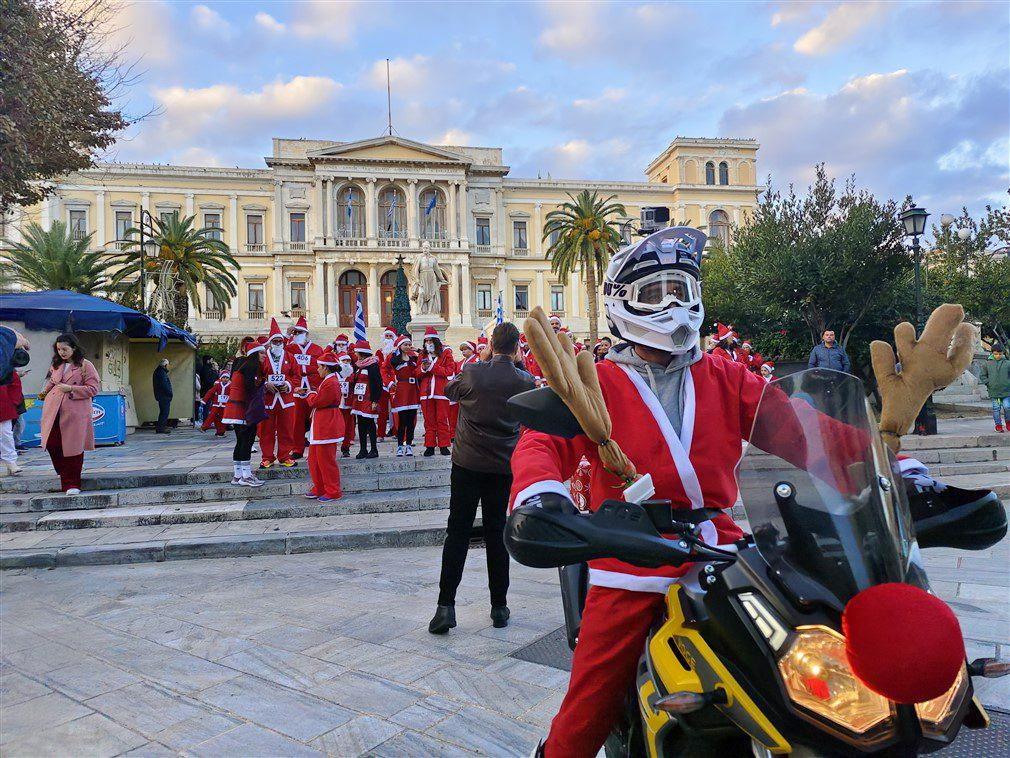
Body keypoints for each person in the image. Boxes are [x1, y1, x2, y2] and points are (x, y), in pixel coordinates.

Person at [429, 321, 536, 635]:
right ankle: (499, 606)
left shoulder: (474, 372)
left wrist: (483, 361)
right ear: (517, 347)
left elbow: (450, 391)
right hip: (502, 466)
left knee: (457, 533)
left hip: (467, 463)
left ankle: (445, 606)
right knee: (496, 535)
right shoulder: (525, 381)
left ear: (491, 344)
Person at [38, 334, 101, 495]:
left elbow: (93, 389)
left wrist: (71, 389)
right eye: (59, 349)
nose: (62, 353)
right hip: (54, 409)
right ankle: (63, 471)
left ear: (74, 348)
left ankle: (72, 483)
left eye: (65, 349)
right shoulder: (57, 364)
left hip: (75, 412)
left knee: (73, 448)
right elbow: (52, 381)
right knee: (51, 443)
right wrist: (44, 392)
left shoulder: (86, 365)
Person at [304, 349, 346, 502]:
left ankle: (333, 490)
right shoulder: (329, 381)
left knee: (326, 460)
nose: (317, 369)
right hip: (321, 423)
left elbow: (316, 402)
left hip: (326, 424)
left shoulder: (331, 382)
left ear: (326, 367)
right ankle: (320, 487)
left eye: (319, 367)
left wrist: (310, 394)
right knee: (314, 459)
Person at [224, 340, 266, 487]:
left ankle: (237, 475)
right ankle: (246, 476)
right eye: (261, 353)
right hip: (243, 409)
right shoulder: (251, 366)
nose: (264, 355)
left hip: (234, 409)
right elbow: (250, 389)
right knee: (247, 442)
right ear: (254, 354)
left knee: (240, 441)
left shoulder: (240, 364)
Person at [259, 319, 298, 468]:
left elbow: (296, 376)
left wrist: (288, 385)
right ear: (270, 343)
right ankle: (267, 457)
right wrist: (265, 384)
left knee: (287, 429)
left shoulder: (290, 357)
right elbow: (257, 376)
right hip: (268, 400)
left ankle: (285, 456)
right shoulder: (263, 358)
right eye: (274, 341)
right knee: (266, 430)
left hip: (285, 399)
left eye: (279, 341)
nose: (277, 344)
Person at [286, 316, 324, 459]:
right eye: (295, 333)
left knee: (315, 420)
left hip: (312, 388)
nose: (297, 335)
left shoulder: (317, 349)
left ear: (307, 334)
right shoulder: (290, 347)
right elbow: (276, 349)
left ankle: (315, 448)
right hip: (297, 388)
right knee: (297, 421)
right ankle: (297, 449)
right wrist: (287, 334)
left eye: (300, 333)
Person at [417, 326, 454, 456]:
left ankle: (444, 445)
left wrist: (432, 367)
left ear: (436, 342)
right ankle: (430, 446)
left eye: (431, 341)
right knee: (429, 421)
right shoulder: (422, 355)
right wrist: (423, 368)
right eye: (426, 341)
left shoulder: (446, 354)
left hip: (441, 393)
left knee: (442, 420)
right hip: (426, 393)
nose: (429, 343)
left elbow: (449, 371)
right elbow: (417, 373)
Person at [387, 335, 420, 456]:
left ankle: (409, 445)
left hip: (412, 391)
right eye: (405, 344)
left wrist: (418, 351)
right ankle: (400, 445)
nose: (407, 346)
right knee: (402, 421)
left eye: (409, 344)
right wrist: (390, 382)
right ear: (400, 346)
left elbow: (424, 360)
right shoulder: (394, 359)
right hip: (402, 391)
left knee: (411, 421)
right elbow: (385, 369)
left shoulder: (414, 359)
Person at [350, 339, 383, 458]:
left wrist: (375, 400)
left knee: (370, 423)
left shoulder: (373, 366)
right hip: (359, 399)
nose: (355, 355)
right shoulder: (357, 366)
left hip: (369, 399)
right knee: (361, 424)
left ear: (362, 353)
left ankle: (374, 449)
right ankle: (363, 449)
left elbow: (377, 383)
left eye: (356, 353)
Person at [979, 343, 1009, 432]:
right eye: (996, 354)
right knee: (996, 409)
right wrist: (989, 383)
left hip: (1007, 391)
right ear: (992, 353)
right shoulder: (987, 364)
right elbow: (982, 376)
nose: (998, 356)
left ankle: (1008, 422)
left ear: (1003, 353)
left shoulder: (1008, 363)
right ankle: (998, 425)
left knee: (1007, 407)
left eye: (1000, 354)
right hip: (994, 392)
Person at [376, 327, 397, 440]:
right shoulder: (379, 352)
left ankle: (396, 431)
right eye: (386, 336)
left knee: (395, 409)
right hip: (382, 384)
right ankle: (381, 434)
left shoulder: (397, 352)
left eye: (390, 337)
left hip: (395, 383)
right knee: (382, 410)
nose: (388, 339)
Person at [0, 370, 22, 475]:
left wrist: (12, 402)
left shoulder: (4, 365)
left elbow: (15, 384)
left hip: (3, 404)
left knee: (5, 433)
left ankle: (11, 461)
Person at [200, 369, 231, 436]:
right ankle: (204, 427)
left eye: (227, 378)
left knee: (223, 419)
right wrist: (204, 400)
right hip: (216, 404)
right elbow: (210, 392)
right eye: (224, 377)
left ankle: (221, 432)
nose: (225, 379)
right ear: (221, 378)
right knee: (212, 415)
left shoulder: (230, 386)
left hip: (225, 405)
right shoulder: (217, 385)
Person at [337, 352, 356, 458]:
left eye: (348, 361)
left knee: (348, 426)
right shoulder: (335, 374)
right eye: (344, 361)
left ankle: (346, 447)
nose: (346, 363)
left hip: (348, 403)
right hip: (337, 403)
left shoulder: (353, 374)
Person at [153, 358, 173, 434]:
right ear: (165, 365)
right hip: (164, 396)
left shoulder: (159, 372)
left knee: (163, 412)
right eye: (168, 365)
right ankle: (161, 428)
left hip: (161, 395)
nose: (169, 366)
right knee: (164, 412)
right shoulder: (161, 373)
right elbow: (165, 386)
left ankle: (161, 427)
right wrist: (170, 393)